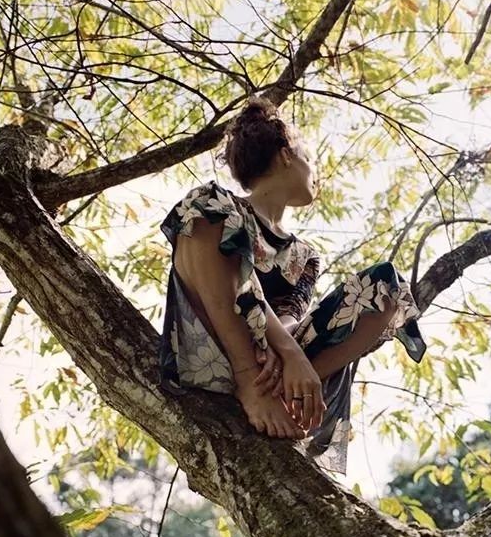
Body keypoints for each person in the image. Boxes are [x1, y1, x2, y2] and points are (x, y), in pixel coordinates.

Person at [158, 96, 426, 474]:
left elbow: (289, 317)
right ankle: (249, 382)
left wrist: (283, 353)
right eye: (310, 161)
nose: (315, 174)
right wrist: (285, 354)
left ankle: (286, 392)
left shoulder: (304, 255)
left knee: (388, 285)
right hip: (215, 348)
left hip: (278, 368)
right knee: (205, 206)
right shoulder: (218, 208)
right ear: (286, 155)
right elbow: (224, 281)